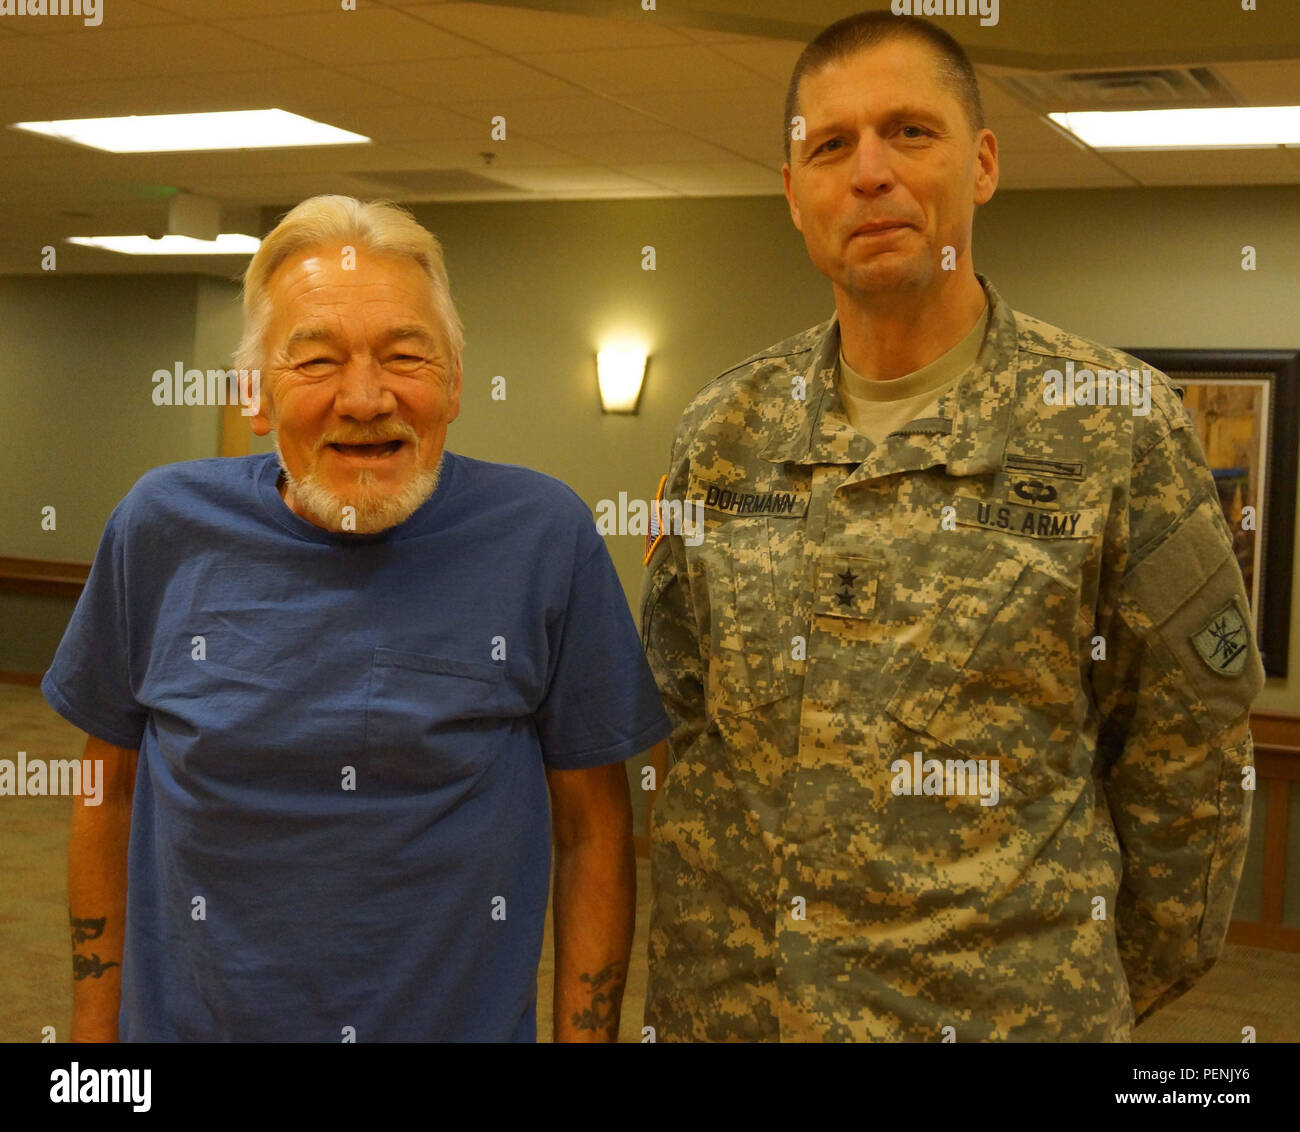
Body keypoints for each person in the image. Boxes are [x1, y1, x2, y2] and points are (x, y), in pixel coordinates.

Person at [640, 11, 1263, 1041]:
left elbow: (1187, 766)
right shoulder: (726, 433)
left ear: (981, 164)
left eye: (908, 133)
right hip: (737, 1011)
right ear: (793, 192)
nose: (869, 171)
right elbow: (682, 711)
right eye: (829, 146)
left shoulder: (1114, 424)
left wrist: (1063, 986)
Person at [47, 195, 670, 1042]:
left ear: (453, 383)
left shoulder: (542, 538)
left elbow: (594, 829)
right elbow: (105, 792)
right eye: (317, 362)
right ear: (256, 395)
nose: (366, 397)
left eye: (406, 356)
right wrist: (91, 1056)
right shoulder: (160, 528)